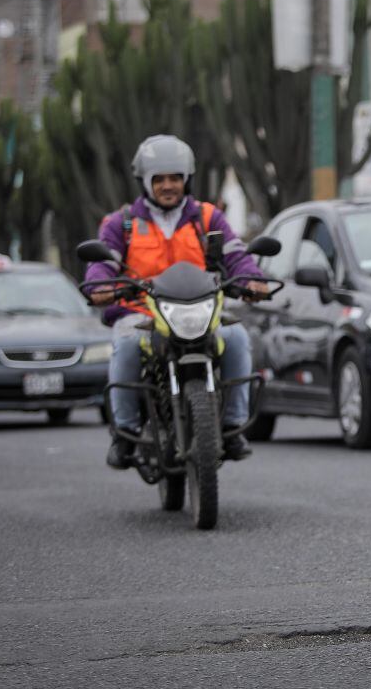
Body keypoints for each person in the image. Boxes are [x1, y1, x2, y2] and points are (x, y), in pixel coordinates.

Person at [85, 135, 269, 469]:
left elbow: (237, 257)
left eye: (175, 178)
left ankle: (233, 427)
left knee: (238, 337)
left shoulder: (208, 218)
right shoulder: (121, 223)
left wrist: (252, 281)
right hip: (141, 312)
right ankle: (124, 434)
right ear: (144, 181)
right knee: (126, 345)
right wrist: (101, 286)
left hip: (202, 310)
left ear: (187, 179)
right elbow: (102, 264)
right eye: (159, 179)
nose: (168, 186)